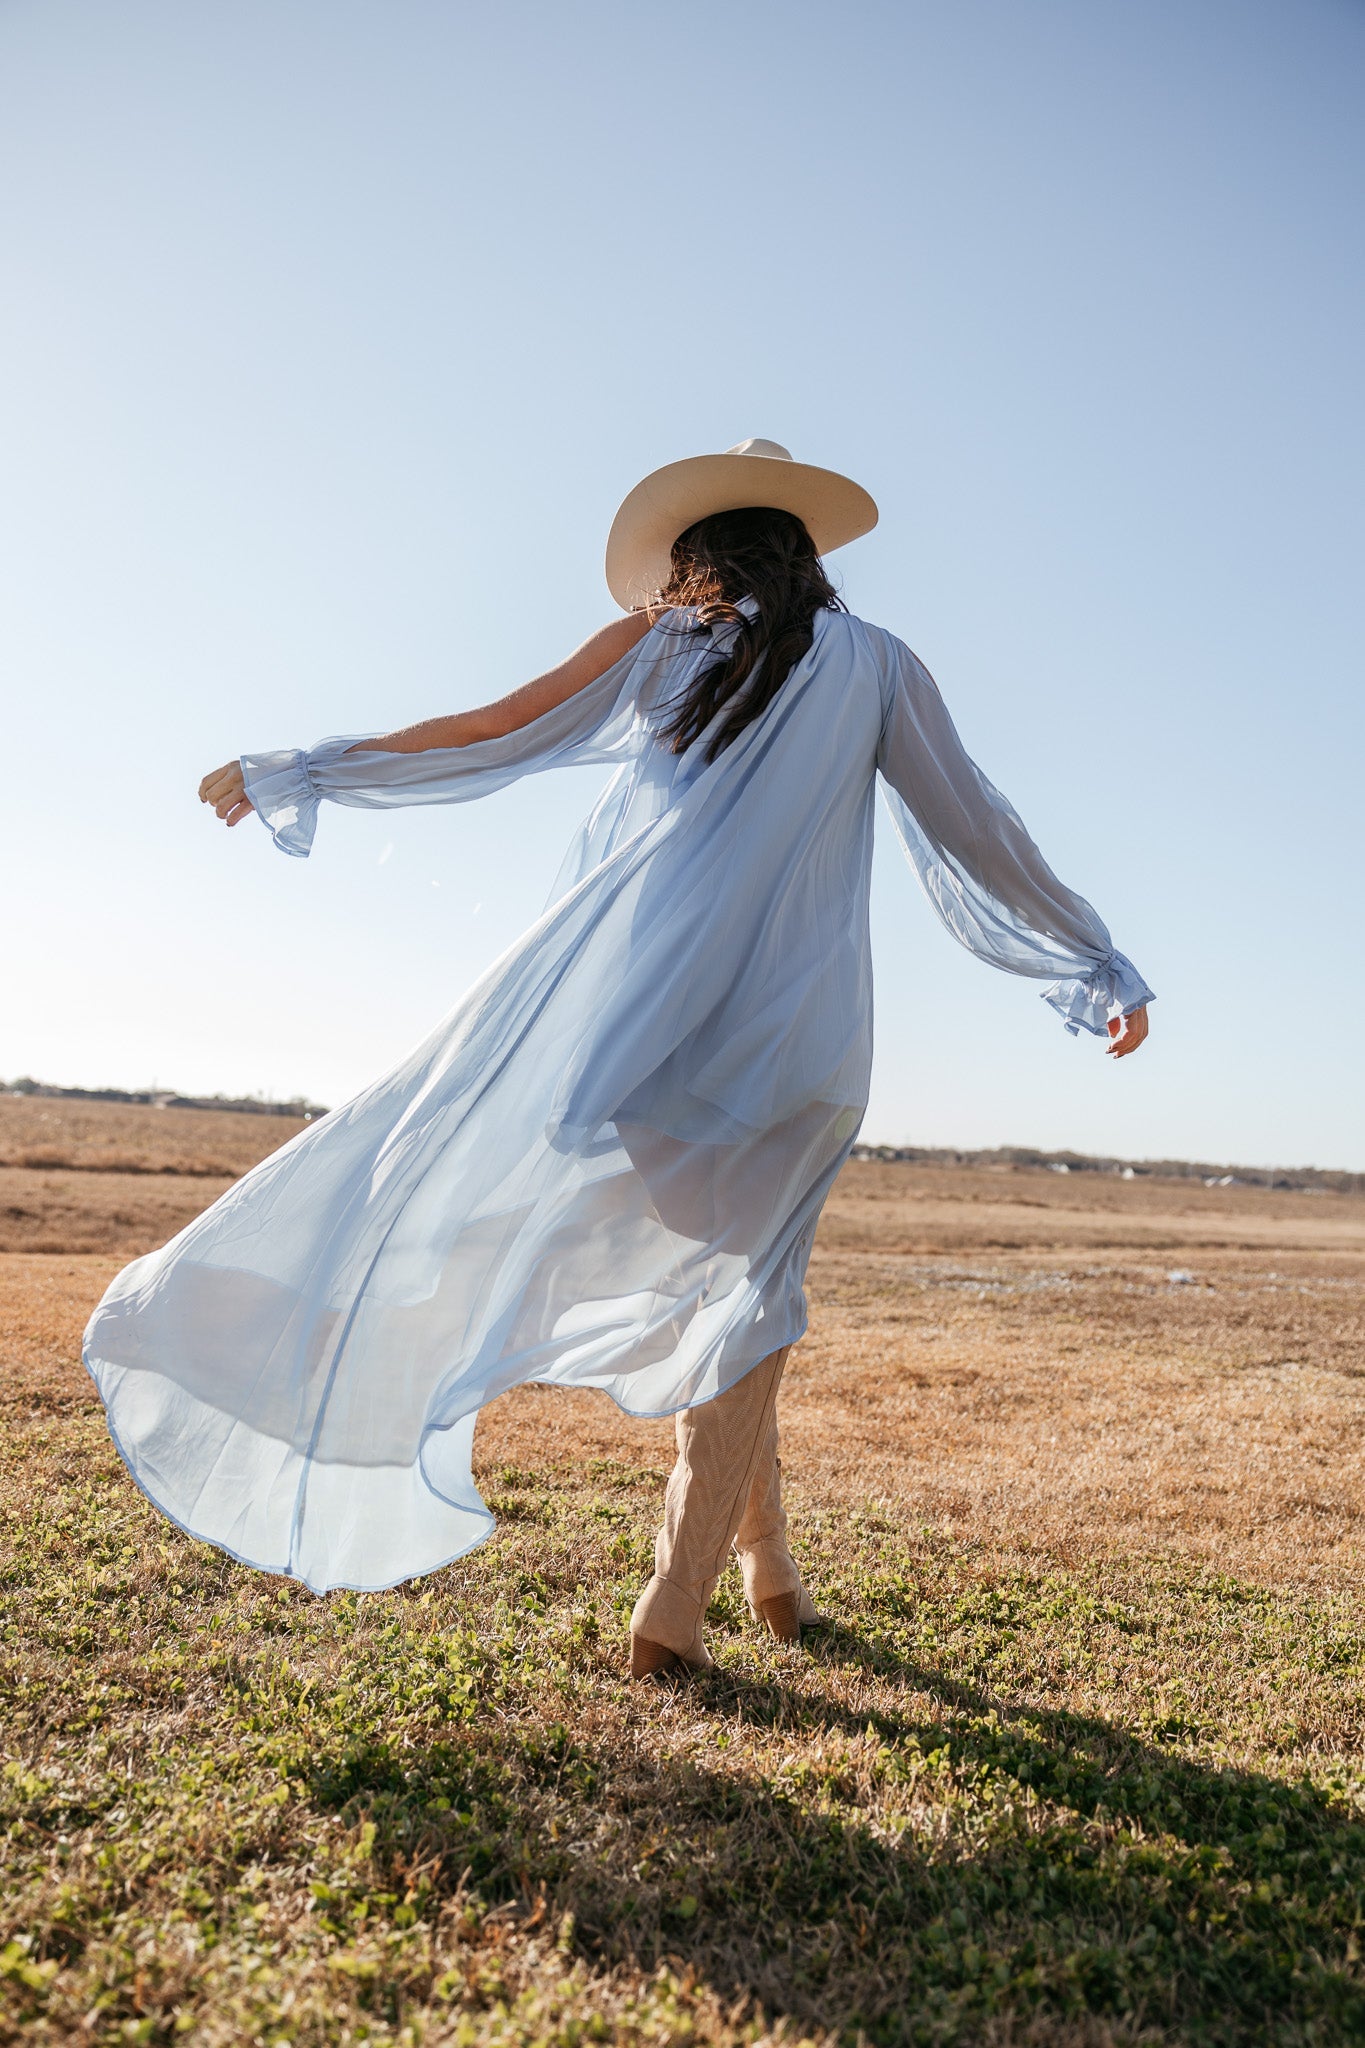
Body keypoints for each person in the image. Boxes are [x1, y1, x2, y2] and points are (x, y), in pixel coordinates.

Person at [83, 438, 1152, 1679]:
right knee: (747, 1298)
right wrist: (1093, 954)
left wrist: (311, 768)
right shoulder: (877, 664)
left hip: (646, 1026)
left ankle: (769, 1566)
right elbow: (977, 826)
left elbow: (491, 732)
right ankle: (675, 1605)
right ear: (804, 551)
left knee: (736, 1299)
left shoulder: (661, 648)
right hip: (799, 1035)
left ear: (698, 551)